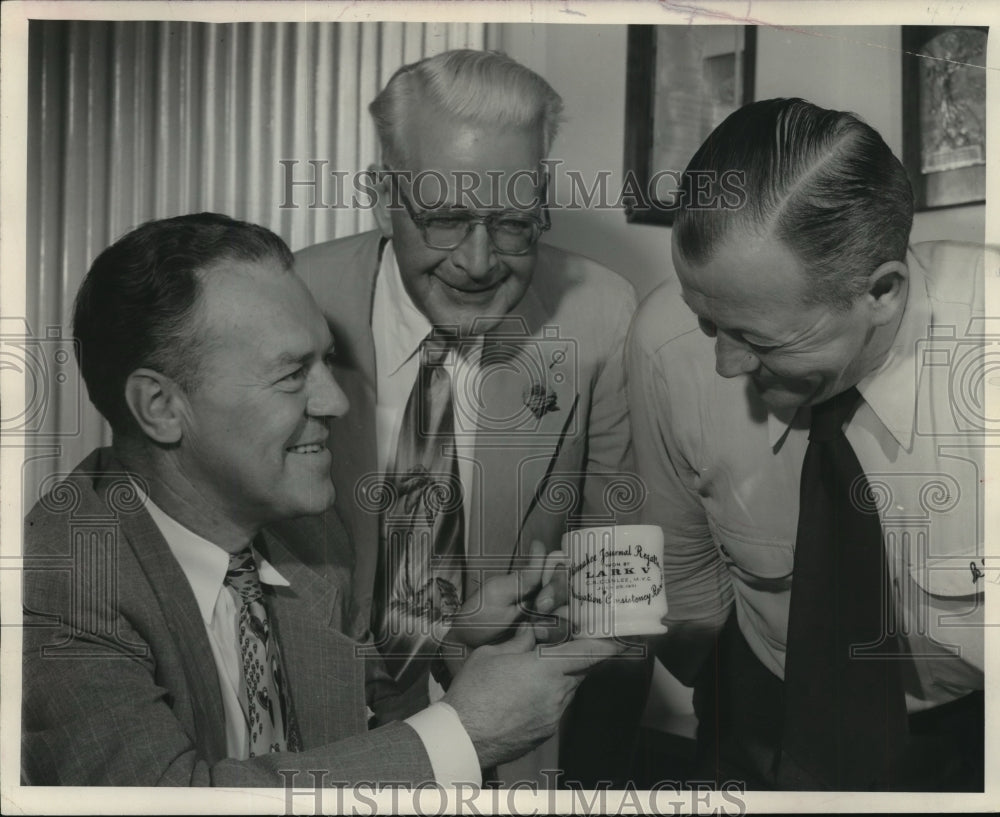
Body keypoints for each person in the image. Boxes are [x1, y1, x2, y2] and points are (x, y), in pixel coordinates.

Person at [20, 212, 623, 786]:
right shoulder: (59, 577)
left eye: (326, 360)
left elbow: (377, 724)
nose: (335, 401)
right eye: (291, 375)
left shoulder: (307, 532)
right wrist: (466, 734)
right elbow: (161, 800)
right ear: (160, 408)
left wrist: (461, 653)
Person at [287, 49, 648, 786]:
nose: (479, 262)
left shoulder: (601, 313)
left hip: (515, 740)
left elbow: (618, 580)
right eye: (447, 219)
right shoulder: (295, 297)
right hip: (315, 736)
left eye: (515, 222)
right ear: (383, 195)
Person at [627, 98, 987, 791]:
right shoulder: (663, 344)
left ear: (882, 292)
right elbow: (683, 569)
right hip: (759, 715)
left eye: (760, 340)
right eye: (708, 324)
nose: (725, 366)